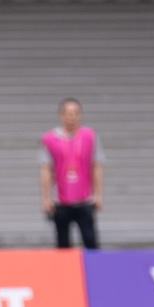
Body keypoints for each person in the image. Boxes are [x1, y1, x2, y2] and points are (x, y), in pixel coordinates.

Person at [39, 99, 103, 250]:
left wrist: (98, 195)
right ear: (61, 116)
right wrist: (46, 199)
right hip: (60, 202)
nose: (72, 117)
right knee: (63, 245)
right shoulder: (49, 139)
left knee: (91, 241)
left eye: (75, 113)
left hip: (85, 201)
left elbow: (96, 166)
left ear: (80, 115)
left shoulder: (90, 136)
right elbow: (45, 170)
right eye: (68, 113)